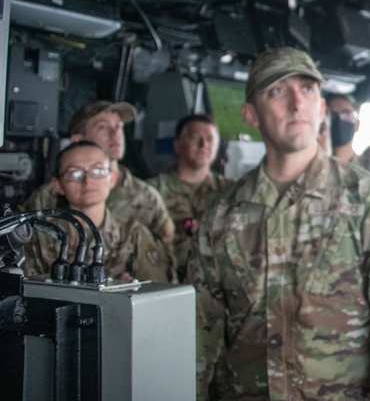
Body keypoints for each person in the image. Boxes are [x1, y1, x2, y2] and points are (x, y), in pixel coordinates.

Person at [186, 47, 370, 401]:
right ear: (251, 114)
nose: (296, 103)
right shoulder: (222, 215)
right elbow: (199, 338)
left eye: (307, 90)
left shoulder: (369, 202)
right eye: (277, 91)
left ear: (321, 109)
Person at [22, 100, 174, 247]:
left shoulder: (146, 197)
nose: (116, 133)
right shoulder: (49, 196)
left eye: (119, 126)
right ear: (78, 139)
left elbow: (165, 255)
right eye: (102, 127)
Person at [22, 140, 174, 283]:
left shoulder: (132, 235)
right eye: (75, 173)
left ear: (112, 178)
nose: (87, 180)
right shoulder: (40, 236)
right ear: (57, 186)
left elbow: (158, 294)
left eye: (98, 170)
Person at [146, 114, 230, 282]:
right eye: (195, 138)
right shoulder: (152, 191)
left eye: (210, 139)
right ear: (177, 145)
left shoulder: (230, 191)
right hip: (168, 280)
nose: (203, 145)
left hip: (218, 283)